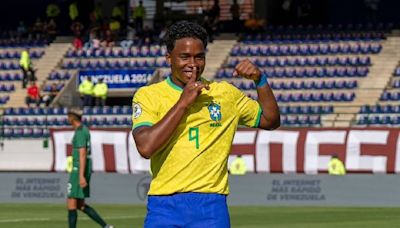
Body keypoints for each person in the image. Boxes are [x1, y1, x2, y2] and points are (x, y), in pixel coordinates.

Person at [131, 21, 280, 227]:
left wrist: (260, 80)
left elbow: (270, 120)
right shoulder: (148, 95)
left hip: (211, 206)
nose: (193, 64)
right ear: (169, 58)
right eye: (184, 57)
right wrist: (183, 103)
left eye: (199, 56)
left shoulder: (225, 94)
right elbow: (145, 147)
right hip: (163, 205)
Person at [66, 108, 113, 228]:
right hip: (83, 167)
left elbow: (82, 153)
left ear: (72, 117)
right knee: (80, 204)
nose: (67, 118)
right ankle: (106, 226)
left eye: (68, 116)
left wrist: (81, 175)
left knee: (71, 202)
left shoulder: (80, 132)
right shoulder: (84, 130)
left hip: (78, 169)